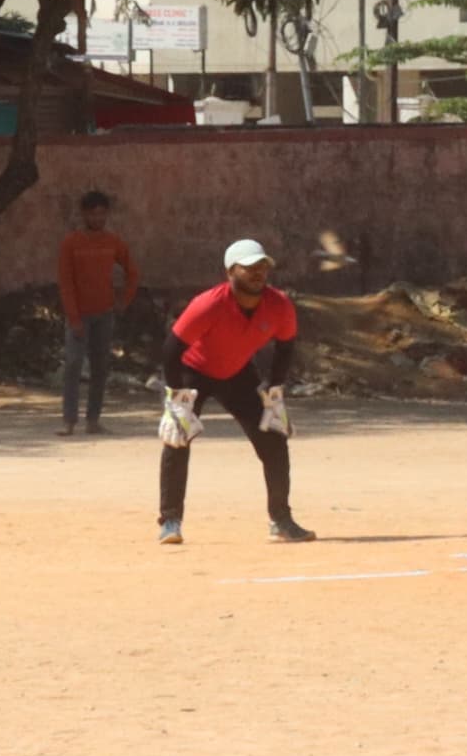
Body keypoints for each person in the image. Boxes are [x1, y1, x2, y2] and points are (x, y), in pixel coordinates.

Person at [158, 235, 311, 546]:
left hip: (237, 373)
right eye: (249, 267)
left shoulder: (279, 305)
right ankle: (170, 521)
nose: (258, 273)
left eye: (262, 267)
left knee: (274, 441)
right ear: (230, 272)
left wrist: (274, 389)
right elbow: (172, 349)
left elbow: (285, 347)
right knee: (178, 439)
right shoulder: (208, 304)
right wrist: (176, 399)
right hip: (193, 372)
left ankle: (281, 520)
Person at [56, 190, 139, 436]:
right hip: (79, 315)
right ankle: (69, 421)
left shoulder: (113, 242)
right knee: (73, 365)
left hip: (104, 313)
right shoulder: (71, 243)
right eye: (93, 213)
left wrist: (124, 300)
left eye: (102, 213)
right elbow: (66, 282)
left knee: (100, 367)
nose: (98, 218)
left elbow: (132, 272)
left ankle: (93, 420)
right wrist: (73, 318)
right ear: (84, 214)